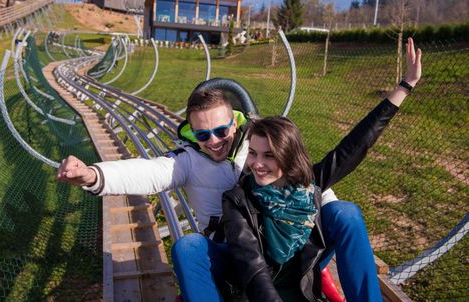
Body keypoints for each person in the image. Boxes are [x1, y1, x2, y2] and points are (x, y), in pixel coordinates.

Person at [57, 38, 422, 301]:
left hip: (292, 245)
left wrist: (403, 87)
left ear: (235, 123)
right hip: (237, 253)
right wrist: (92, 174)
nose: (213, 140)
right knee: (187, 247)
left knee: (344, 212)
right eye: (202, 134)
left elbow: (340, 157)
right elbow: (147, 172)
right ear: (192, 134)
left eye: (220, 130)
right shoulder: (199, 167)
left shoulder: (258, 146)